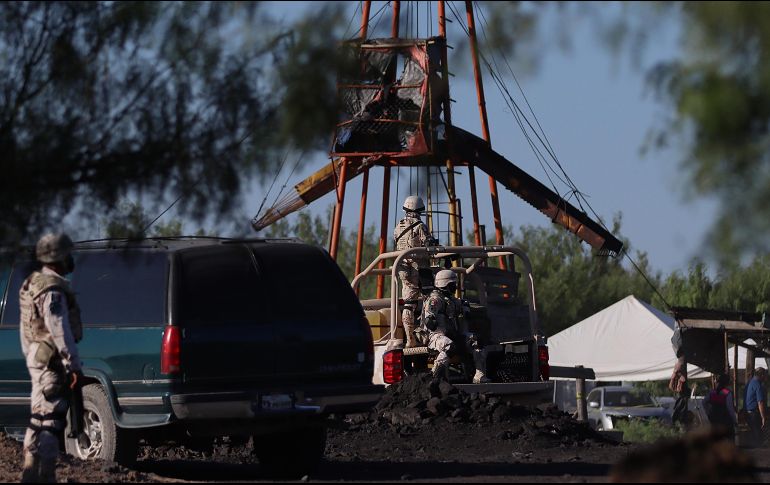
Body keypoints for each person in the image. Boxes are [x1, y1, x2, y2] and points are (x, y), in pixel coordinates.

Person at [19, 233, 82, 483]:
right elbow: (58, 328)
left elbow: (28, 328)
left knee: (38, 416)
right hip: (51, 362)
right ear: (58, 257)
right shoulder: (52, 288)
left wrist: (33, 358)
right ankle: (46, 475)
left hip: (37, 358)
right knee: (52, 420)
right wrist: (73, 364)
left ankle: (30, 472)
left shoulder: (32, 282)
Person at [421, 269, 490, 383]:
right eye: (452, 285)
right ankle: (434, 375)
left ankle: (479, 375)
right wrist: (432, 319)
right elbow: (430, 322)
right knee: (449, 346)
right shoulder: (434, 300)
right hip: (436, 336)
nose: (455, 287)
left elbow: (463, 307)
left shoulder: (451, 300)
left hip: (452, 335)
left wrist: (466, 309)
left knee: (477, 341)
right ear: (444, 284)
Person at [393, 195, 436, 348]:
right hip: (421, 268)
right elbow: (429, 245)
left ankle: (410, 340)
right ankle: (427, 335)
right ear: (419, 209)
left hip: (403, 268)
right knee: (430, 299)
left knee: (409, 304)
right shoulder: (420, 226)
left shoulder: (398, 226)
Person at [703, 373, 737, 441]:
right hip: (726, 421)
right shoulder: (727, 393)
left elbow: (704, 402)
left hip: (714, 420)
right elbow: (730, 408)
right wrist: (734, 420)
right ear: (727, 383)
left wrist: (708, 413)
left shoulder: (712, 392)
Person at [744, 367, 767, 448]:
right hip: (754, 414)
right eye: (765, 375)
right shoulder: (758, 384)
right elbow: (760, 402)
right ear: (762, 375)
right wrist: (763, 417)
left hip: (747, 413)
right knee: (758, 438)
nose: (766, 377)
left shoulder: (749, 383)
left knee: (754, 435)